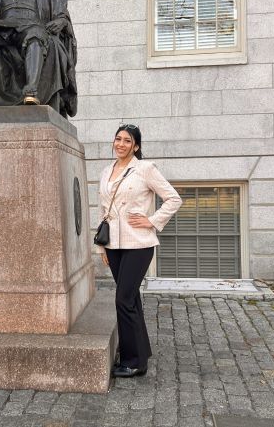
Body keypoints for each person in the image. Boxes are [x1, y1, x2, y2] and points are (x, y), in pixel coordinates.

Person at [98, 124, 182, 377]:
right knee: (131, 299)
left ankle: (133, 362)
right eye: (118, 139)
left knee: (123, 299)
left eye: (127, 141)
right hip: (114, 244)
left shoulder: (145, 169)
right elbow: (103, 209)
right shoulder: (106, 171)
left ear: (135, 146)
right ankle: (139, 353)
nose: (121, 144)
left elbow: (174, 198)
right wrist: (102, 245)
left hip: (139, 243)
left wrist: (152, 221)